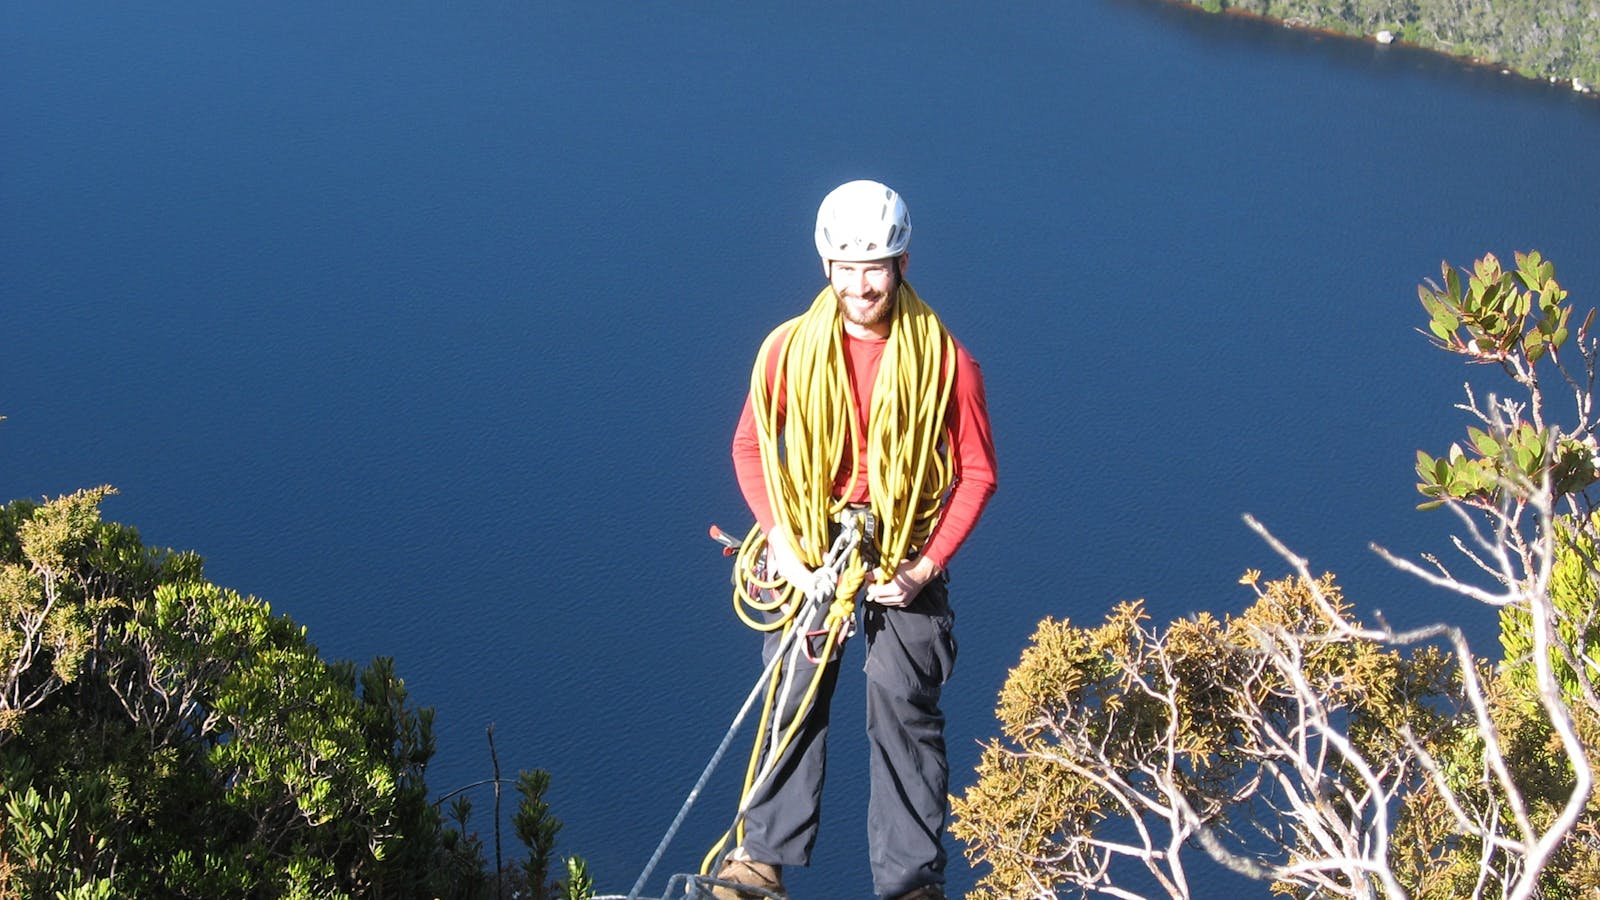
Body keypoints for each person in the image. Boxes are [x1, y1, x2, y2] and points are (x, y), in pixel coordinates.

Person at [718, 180, 998, 900]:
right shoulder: (789, 352)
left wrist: (922, 568)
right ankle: (760, 862)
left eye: (874, 266)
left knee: (903, 699)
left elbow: (976, 474)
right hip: (814, 547)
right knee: (793, 689)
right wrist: (782, 543)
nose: (860, 283)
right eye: (847, 267)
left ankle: (910, 884)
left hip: (905, 553)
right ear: (826, 268)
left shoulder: (945, 362)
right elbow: (751, 447)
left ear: (903, 264)